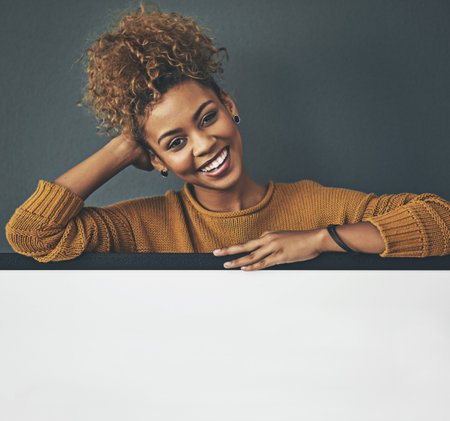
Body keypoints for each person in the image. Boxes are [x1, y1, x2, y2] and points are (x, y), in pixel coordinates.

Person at [5, 5, 450, 270]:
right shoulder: (143, 227)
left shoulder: (319, 205)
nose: (203, 145)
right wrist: (126, 146)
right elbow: (32, 234)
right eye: (174, 142)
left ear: (228, 105)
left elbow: (441, 221)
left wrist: (318, 240)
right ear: (156, 159)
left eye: (206, 117)